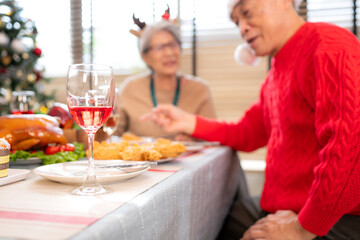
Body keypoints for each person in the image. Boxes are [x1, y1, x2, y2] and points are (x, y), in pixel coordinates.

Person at [141, 0, 360, 239]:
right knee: (217, 218)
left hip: (333, 216)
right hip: (283, 207)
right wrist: (189, 122)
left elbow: (350, 147)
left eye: (246, 13)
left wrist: (302, 228)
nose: (242, 28)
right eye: (236, 22)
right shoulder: (274, 76)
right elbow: (248, 132)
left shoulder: (329, 46)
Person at [115, 19, 216, 139]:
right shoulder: (131, 88)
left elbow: (213, 137)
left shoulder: (200, 89)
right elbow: (112, 134)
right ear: (145, 57)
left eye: (173, 45)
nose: (169, 53)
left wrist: (193, 139)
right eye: (159, 47)